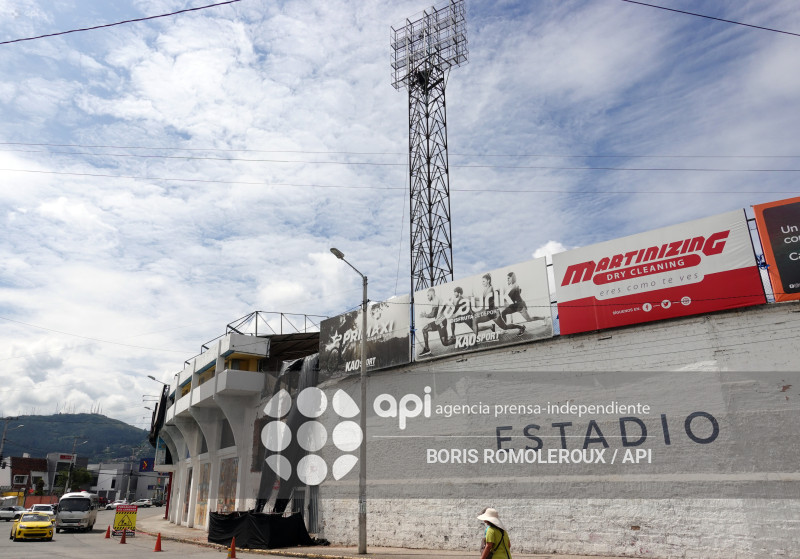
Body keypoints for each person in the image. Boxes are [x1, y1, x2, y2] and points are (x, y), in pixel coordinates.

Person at [418, 287, 455, 356]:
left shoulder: (435, 299)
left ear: (432, 294)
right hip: (437, 322)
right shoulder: (436, 299)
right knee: (424, 329)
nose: (427, 297)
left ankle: (456, 340)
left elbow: (433, 314)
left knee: (445, 343)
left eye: (428, 295)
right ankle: (427, 349)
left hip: (441, 323)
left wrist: (424, 315)